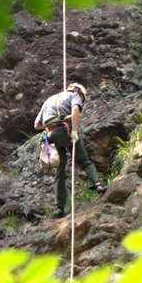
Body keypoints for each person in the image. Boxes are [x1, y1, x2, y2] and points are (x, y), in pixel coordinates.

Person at [34, 83, 107, 218]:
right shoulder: (74, 95)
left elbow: (37, 125)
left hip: (51, 135)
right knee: (84, 160)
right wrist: (74, 130)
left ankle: (59, 207)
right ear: (78, 91)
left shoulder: (48, 100)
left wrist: (50, 124)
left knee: (60, 170)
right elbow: (75, 110)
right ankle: (97, 185)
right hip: (66, 130)